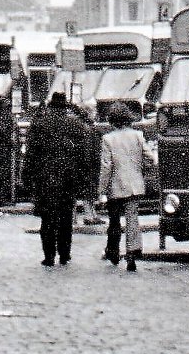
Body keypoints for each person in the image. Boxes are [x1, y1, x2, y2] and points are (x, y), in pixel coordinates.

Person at [23, 91, 91, 266]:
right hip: (69, 177)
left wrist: (27, 176)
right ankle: (64, 253)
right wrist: (83, 177)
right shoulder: (75, 125)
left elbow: (30, 153)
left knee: (47, 218)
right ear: (65, 107)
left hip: (45, 177)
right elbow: (84, 154)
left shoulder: (39, 124)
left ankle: (49, 255)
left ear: (50, 106)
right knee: (66, 216)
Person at [97, 103, 150, 270]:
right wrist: (141, 170)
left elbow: (106, 166)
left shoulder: (108, 139)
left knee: (114, 220)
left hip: (115, 185)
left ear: (112, 120)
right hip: (135, 184)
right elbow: (150, 157)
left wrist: (101, 189)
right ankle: (132, 253)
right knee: (132, 218)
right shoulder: (138, 136)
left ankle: (113, 251)